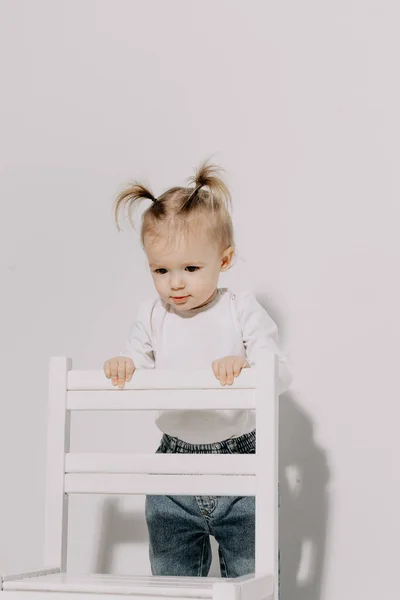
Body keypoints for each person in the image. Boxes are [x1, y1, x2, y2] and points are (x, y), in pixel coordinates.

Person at [103, 161, 292, 579]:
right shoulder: (153, 316)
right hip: (172, 468)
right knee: (172, 582)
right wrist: (124, 364)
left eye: (190, 268)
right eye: (161, 270)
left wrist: (248, 366)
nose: (175, 284)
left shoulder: (239, 309)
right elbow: (136, 360)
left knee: (253, 578)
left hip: (240, 463)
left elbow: (279, 369)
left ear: (223, 260)